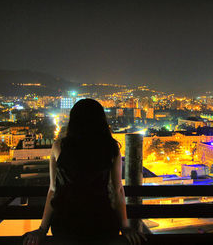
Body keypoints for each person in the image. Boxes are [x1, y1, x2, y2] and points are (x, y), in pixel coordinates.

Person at [23, 99, 145, 245]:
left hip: (66, 225)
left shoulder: (59, 147)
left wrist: (42, 229)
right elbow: (117, 190)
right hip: (102, 224)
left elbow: (53, 190)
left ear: (73, 121)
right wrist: (125, 227)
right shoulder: (111, 148)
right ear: (101, 121)